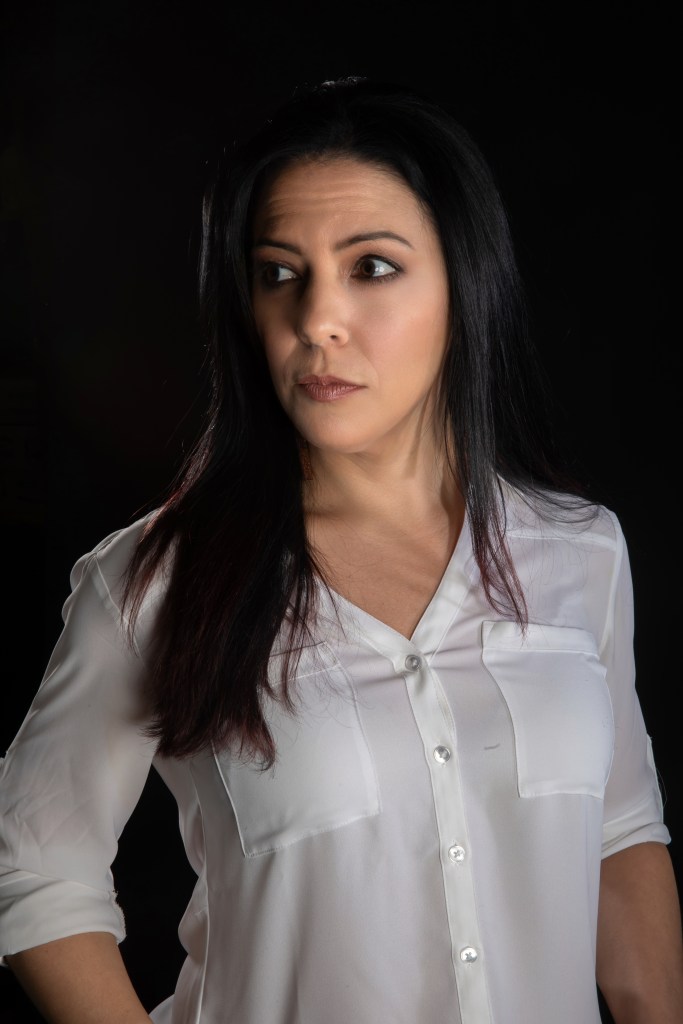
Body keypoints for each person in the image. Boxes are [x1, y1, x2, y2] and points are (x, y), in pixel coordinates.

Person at [0, 76, 681, 1024]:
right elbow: (34, 864)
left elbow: (618, 829)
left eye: (371, 267)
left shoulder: (579, 552)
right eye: (280, 273)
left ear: (464, 283)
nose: (316, 318)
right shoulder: (154, 582)